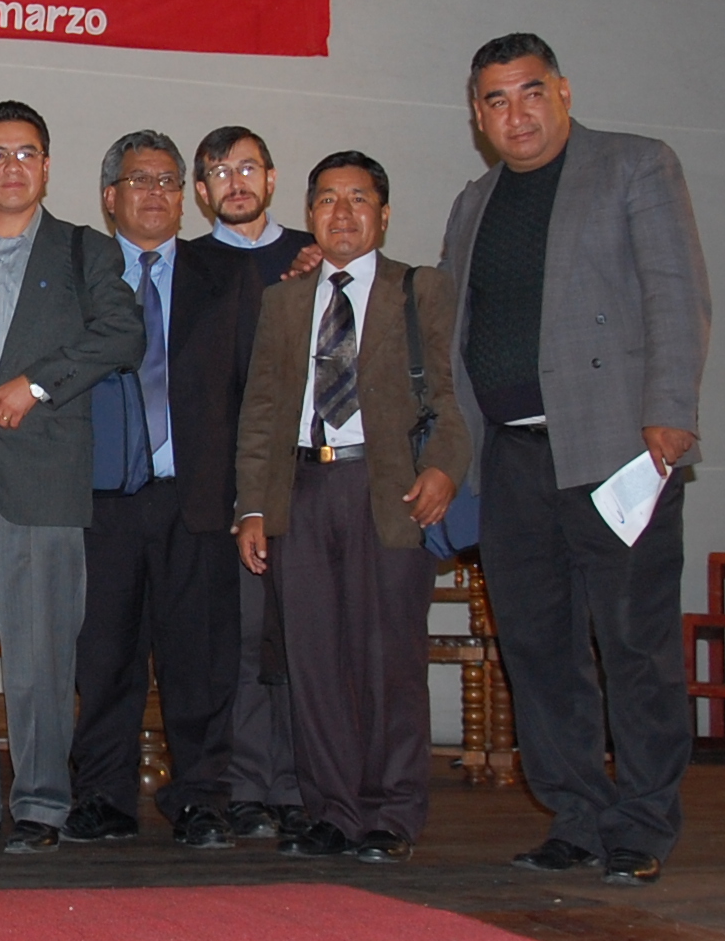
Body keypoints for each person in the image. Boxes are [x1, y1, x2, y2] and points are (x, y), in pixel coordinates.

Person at [439, 33, 711, 887]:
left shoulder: (635, 165)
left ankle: (644, 821)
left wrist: (670, 412)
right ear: (477, 116)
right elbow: (453, 328)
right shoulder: (473, 202)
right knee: (537, 647)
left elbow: (676, 292)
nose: (515, 114)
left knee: (634, 642)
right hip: (511, 458)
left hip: (618, 450)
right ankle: (576, 814)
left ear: (562, 91)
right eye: (495, 100)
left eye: (530, 92)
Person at [0, 102, 145, 854]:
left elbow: (124, 334)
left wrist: (37, 384)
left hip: (43, 484)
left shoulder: (85, 250)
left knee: (43, 660)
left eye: (26, 153)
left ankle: (43, 805)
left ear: (46, 167)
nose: (11, 166)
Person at [235, 152, 469, 859]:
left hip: (389, 491)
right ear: (310, 214)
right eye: (328, 200)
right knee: (312, 660)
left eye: (359, 199)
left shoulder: (419, 290)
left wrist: (444, 469)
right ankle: (332, 810)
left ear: (384, 214)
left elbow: (453, 395)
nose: (343, 213)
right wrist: (252, 507)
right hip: (302, 490)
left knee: (387, 658)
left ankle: (392, 812)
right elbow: (262, 410)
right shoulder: (283, 302)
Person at [70, 130, 253, 848]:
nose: (155, 193)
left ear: (187, 197)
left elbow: (254, 391)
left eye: (169, 181)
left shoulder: (226, 275)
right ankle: (103, 797)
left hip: (196, 498)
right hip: (102, 501)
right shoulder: (80, 276)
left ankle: (202, 797)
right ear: (109, 197)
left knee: (200, 661)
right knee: (103, 659)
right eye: (140, 181)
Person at [194, 126, 316, 841]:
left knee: (299, 639)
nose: (235, 182)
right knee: (239, 641)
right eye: (219, 171)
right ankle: (245, 785)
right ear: (200, 190)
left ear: (272, 178)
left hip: (306, 479)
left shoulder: (313, 256)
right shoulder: (188, 265)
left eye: (247, 168)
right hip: (220, 488)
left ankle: (301, 785)